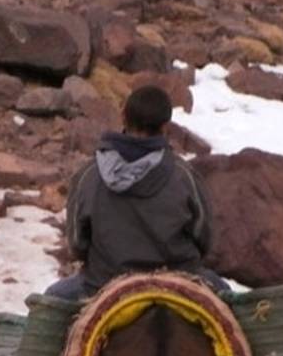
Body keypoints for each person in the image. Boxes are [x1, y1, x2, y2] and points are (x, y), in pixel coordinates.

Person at [48, 85, 224, 301]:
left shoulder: (89, 175)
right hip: (179, 281)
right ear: (165, 125)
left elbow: (76, 244)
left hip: (103, 284)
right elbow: (204, 238)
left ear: (123, 116)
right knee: (233, 306)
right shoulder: (184, 176)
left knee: (51, 299)